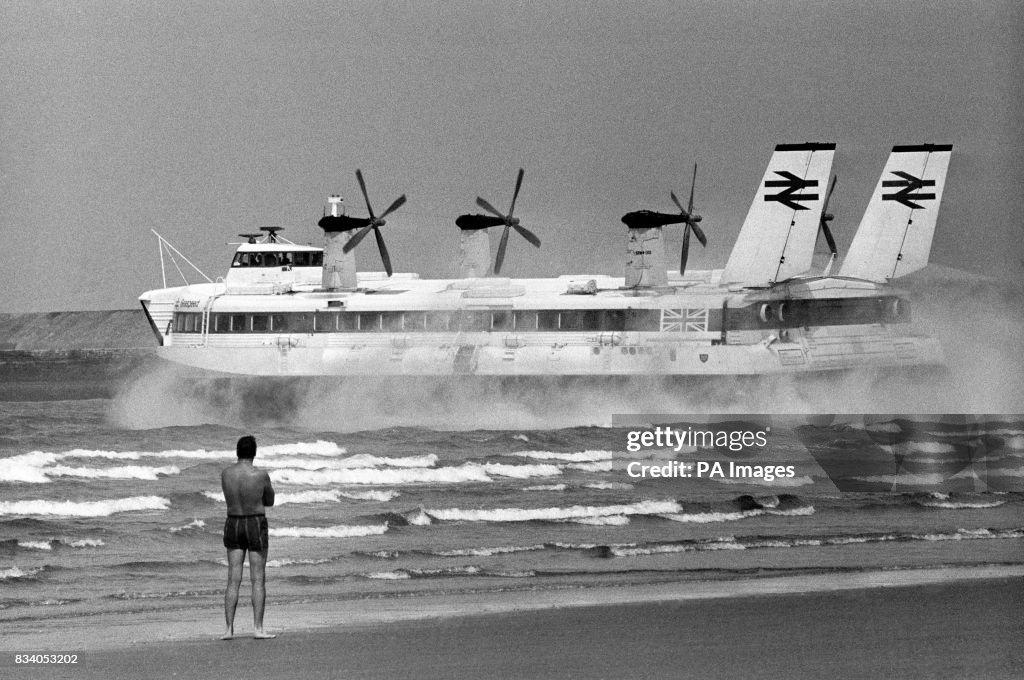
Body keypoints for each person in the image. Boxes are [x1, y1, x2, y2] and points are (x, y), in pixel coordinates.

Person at [221, 435, 276, 640]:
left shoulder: (226, 474)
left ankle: (228, 629)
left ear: (237, 452)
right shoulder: (260, 475)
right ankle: (258, 628)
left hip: (233, 522)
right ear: (254, 453)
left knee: (233, 578)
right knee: (257, 579)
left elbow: (229, 497)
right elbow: (269, 501)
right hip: (254, 522)